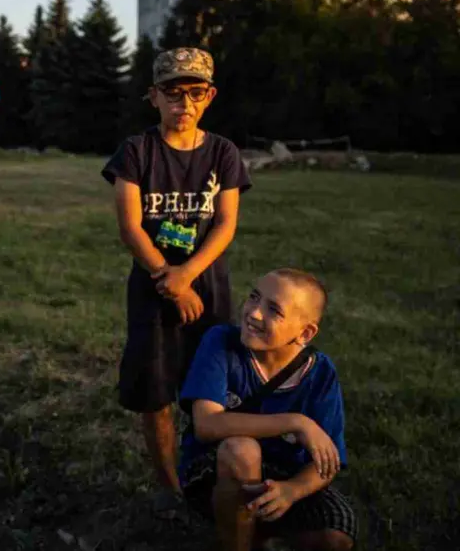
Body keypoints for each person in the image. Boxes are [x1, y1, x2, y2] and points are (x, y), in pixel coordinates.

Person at [100, 47, 252, 514]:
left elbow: (225, 224)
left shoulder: (222, 152)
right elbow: (130, 227)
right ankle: (171, 490)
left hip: (207, 289)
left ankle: (205, 472)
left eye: (195, 92)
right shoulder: (136, 151)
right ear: (154, 96)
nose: (184, 103)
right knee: (156, 392)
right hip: (152, 290)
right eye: (173, 92)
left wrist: (187, 276)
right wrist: (168, 280)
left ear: (210, 96)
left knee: (210, 387)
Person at [177, 268, 356, 551]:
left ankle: (262, 537)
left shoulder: (320, 373)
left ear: (305, 332)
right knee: (242, 450)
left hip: (285, 477)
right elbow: (207, 424)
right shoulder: (221, 342)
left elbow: (326, 461)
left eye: (273, 310)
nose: (254, 313)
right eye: (254, 297)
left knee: (336, 539)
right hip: (216, 470)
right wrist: (295, 422)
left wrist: (292, 490)